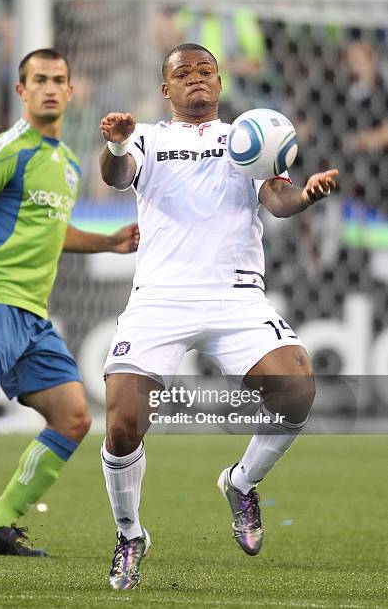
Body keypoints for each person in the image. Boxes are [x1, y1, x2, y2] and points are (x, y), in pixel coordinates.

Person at [98, 43, 338, 589]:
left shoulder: (248, 136)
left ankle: (241, 483)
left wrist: (306, 197)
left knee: (297, 388)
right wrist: (113, 144)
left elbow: (277, 200)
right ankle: (130, 534)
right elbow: (117, 175)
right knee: (121, 421)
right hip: (160, 296)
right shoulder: (148, 138)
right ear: (166, 89)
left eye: (206, 70)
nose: (197, 79)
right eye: (183, 73)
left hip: (235, 296)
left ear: (220, 80)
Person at [0, 48, 139, 556]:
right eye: (39, 80)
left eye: (59, 79)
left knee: (75, 418)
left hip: (34, 317)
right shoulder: (5, 149)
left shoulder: (68, 162)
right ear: (22, 91)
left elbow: (52, 231)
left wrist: (107, 241)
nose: (51, 88)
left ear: (72, 91)